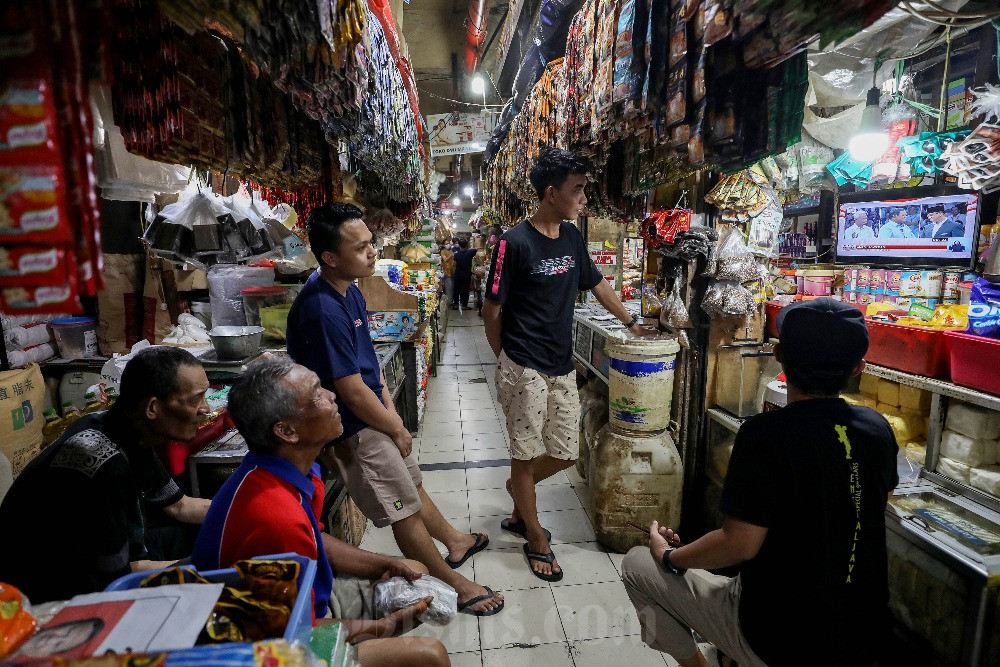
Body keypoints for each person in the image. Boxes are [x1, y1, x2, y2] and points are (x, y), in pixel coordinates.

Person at [622, 298, 898, 667]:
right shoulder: (877, 429)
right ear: (857, 368)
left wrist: (670, 556)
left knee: (638, 565)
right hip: (865, 636)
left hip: (782, 640)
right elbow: (873, 502)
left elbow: (739, 545)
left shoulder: (765, 435)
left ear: (780, 356)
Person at [286, 202, 504, 616]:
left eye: (372, 243)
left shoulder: (348, 289)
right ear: (330, 257)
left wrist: (392, 416)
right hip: (350, 427)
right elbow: (350, 391)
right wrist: (395, 427)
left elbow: (369, 369)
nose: (372, 252)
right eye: (361, 247)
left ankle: (454, 541)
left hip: (372, 417)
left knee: (411, 484)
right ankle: (454, 585)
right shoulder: (321, 309)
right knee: (400, 508)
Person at [192, 356, 448, 667]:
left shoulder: (289, 471)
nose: (332, 396)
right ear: (287, 431)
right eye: (317, 394)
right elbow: (292, 633)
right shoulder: (275, 516)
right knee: (430, 656)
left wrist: (384, 563)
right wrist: (380, 628)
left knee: (412, 571)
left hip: (297, 607)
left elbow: (315, 540)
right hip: (262, 644)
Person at [482, 147, 657, 582]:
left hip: (561, 363)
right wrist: (503, 356)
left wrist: (631, 322)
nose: (584, 199)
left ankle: (518, 495)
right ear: (551, 192)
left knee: (564, 451)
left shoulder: (572, 238)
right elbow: (491, 309)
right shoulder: (513, 242)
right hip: (523, 363)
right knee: (524, 454)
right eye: (578, 190)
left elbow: (596, 284)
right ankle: (535, 534)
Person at [0, 347, 213, 604]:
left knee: (214, 534)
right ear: (153, 408)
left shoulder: (127, 428)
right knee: (212, 563)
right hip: (53, 590)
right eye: (194, 400)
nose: (205, 408)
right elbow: (117, 578)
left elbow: (180, 506)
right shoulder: (102, 466)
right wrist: (205, 566)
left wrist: (239, 512)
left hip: (119, 558)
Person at [452, 238, 477, 310]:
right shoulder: (470, 252)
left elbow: (454, 264)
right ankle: (464, 304)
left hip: (458, 273)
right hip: (466, 274)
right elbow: (476, 249)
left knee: (456, 289)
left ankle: (456, 304)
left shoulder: (456, 254)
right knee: (465, 289)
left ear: (459, 245)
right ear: (467, 245)